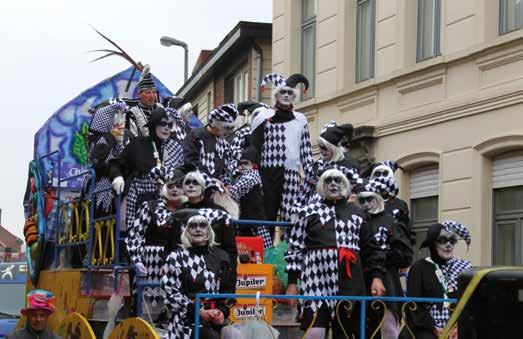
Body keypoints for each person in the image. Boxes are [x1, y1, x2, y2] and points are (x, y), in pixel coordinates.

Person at [285, 169, 387, 338]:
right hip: (316, 280)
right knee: (314, 332)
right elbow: (295, 247)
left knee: (345, 333)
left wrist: (376, 277)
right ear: (322, 186)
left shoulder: (358, 214)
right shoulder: (306, 213)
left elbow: (371, 248)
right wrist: (292, 283)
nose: (333, 184)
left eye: (338, 180)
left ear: (345, 185)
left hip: (349, 282)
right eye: (329, 180)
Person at [250, 73, 314, 236]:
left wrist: (310, 173)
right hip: (267, 172)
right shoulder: (264, 117)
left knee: (289, 213)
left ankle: (288, 253)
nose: (286, 95)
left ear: (294, 96)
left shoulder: (301, 119)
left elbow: (305, 149)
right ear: (276, 95)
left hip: (291, 172)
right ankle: (265, 251)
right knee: (267, 213)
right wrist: (252, 170)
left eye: (290, 93)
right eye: (282, 92)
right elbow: (254, 146)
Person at [125, 164, 193, 312]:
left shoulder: (189, 211)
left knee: (177, 304)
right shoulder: (149, 207)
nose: (175, 189)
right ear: (165, 188)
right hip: (152, 261)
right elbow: (135, 234)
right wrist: (136, 259)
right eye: (171, 186)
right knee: (150, 308)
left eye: (179, 186)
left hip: (180, 261)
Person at [162, 212, 235, 339]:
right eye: (193, 226)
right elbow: (170, 293)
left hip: (214, 318)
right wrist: (198, 312)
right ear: (186, 231)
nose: (198, 229)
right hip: (185, 319)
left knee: (236, 335)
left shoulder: (221, 257)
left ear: (209, 231)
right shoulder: (175, 257)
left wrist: (222, 312)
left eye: (203, 225)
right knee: (209, 336)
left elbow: (227, 290)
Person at [110, 107, 184, 232]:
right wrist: (117, 176)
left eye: (170, 125)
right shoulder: (137, 144)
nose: (167, 128)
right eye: (163, 124)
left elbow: (182, 173)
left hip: (170, 201)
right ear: (153, 125)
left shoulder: (176, 147)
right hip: (142, 200)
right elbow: (116, 164)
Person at [357, 179, 413, 339]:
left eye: (370, 199)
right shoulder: (357, 221)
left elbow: (405, 254)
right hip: (362, 280)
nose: (367, 204)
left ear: (378, 198)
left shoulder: (390, 221)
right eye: (362, 200)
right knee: (365, 328)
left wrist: (382, 257)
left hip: (387, 279)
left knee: (388, 327)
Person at [400, 221, 472, 339]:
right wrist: (434, 328)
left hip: (457, 327)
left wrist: (460, 326)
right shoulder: (419, 268)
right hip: (428, 328)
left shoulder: (465, 268)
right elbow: (414, 306)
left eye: (452, 240)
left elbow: (470, 303)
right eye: (443, 240)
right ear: (432, 244)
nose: (448, 245)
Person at [181, 171, 238, 275]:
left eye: (195, 183)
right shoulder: (179, 212)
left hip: (213, 267)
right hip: (186, 268)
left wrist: (228, 273)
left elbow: (230, 248)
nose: (191, 186)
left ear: (203, 187)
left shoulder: (219, 213)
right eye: (187, 182)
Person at [300, 122, 360, 205]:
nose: (321, 151)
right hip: (315, 208)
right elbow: (306, 190)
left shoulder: (349, 165)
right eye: (319, 147)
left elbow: (354, 190)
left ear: (333, 147)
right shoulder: (318, 165)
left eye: (324, 147)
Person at [229, 146, 273, 249]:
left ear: (253, 165)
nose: (242, 166)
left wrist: (225, 189)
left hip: (256, 222)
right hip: (246, 223)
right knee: (247, 256)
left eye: (246, 163)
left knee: (264, 254)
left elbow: (234, 192)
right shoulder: (241, 177)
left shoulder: (252, 175)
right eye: (240, 164)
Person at [183, 104, 238, 184]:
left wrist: (226, 184)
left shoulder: (225, 144)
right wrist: (210, 180)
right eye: (228, 128)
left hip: (217, 189)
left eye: (232, 128)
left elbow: (225, 170)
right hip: (197, 186)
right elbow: (190, 163)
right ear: (215, 127)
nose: (230, 132)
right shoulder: (196, 136)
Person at [125, 66, 164, 137]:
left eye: (154, 92)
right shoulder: (132, 113)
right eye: (148, 92)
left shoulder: (161, 108)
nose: (152, 96)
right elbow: (133, 138)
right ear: (139, 94)